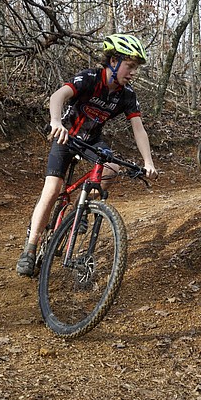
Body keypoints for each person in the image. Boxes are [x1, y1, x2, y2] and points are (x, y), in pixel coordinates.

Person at [16, 33, 158, 277]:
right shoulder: (90, 77)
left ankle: (79, 210)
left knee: (112, 168)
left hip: (91, 141)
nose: (133, 72)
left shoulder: (127, 94)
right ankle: (30, 248)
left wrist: (148, 162)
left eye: (136, 68)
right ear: (113, 61)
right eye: (130, 66)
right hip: (67, 136)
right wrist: (55, 122)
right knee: (52, 190)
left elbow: (139, 129)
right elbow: (57, 96)